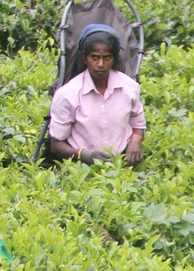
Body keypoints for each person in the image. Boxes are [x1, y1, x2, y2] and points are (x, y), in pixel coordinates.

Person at [48, 24, 146, 166]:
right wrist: (84, 155)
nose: (100, 64)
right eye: (94, 57)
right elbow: (56, 145)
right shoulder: (68, 94)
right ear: (85, 58)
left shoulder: (129, 88)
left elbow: (138, 124)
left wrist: (136, 141)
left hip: (122, 166)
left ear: (113, 59)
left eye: (106, 57)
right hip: (81, 170)